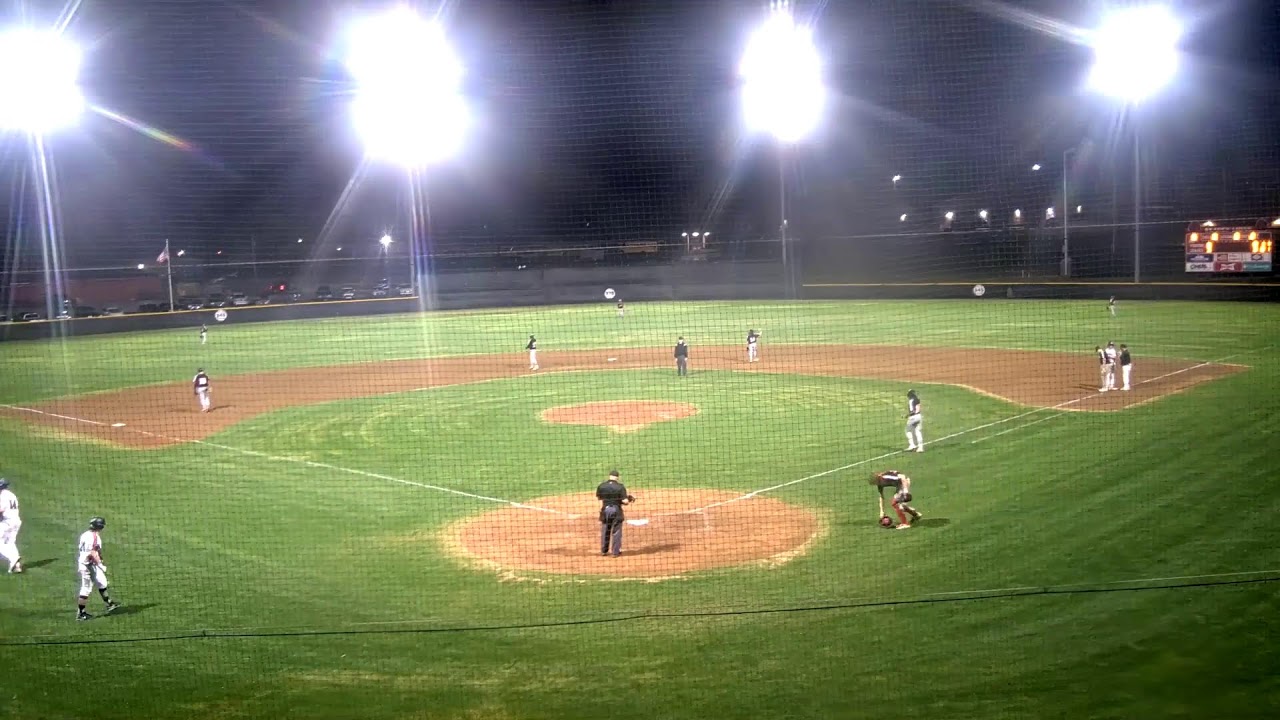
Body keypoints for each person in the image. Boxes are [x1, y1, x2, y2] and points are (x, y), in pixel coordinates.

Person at [76, 516, 120, 621]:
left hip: (90, 564)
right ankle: (81, 614)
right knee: (86, 589)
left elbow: (95, 551)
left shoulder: (85, 534)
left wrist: (100, 560)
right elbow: (92, 553)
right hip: (87, 566)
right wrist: (100, 564)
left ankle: (109, 604)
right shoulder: (94, 537)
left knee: (102, 582)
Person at [595, 470, 634, 557]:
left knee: (605, 530)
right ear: (617, 477)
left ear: (609, 476)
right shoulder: (620, 487)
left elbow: (599, 497)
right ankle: (615, 552)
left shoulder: (602, 486)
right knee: (616, 531)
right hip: (616, 510)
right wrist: (629, 499)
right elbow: (625, 501)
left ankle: (604, 551)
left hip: (605, 510)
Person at [0, 478, 22, 574]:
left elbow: (1, 509)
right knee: (10, 543)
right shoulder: (11, 494)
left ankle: (13, 558)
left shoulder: (2, 496)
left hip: (7, 522)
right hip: (16, 521)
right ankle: (17, 566)